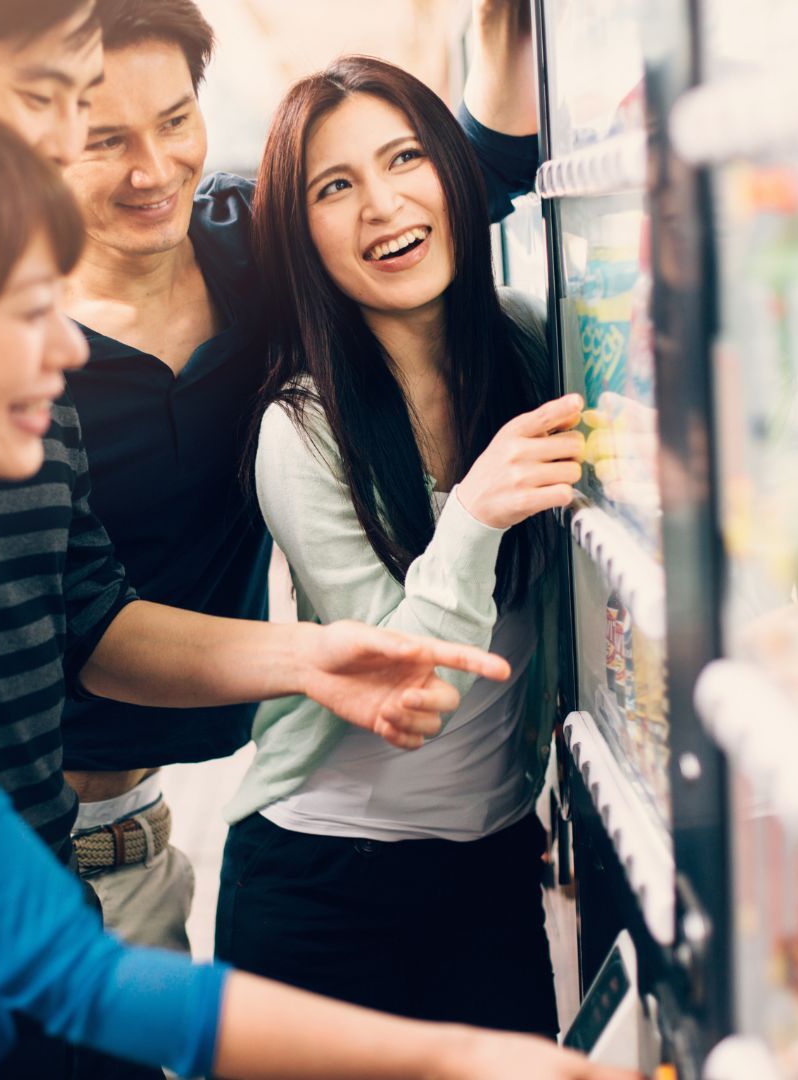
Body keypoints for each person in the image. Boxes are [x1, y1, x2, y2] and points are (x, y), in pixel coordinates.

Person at [0, 89, 637, 1080]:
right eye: (31, 308)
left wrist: (311, 656)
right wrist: (458, 1060)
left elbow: (98, 628)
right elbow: (73, 975)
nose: (72, 347)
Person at [59, 0, 546, 954]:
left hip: (142, 833)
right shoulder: (9, 351)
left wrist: (501, 23)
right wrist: (320, 664)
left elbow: (459, 179)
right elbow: (91, 627)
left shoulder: (252, 246)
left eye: (173, 121)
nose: (153, 169)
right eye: (104, 139)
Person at [214, 55, 587, 1038]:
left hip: (494, 858)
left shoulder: (534, 345)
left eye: (405, 158)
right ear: (302, 237)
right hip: (319, 882)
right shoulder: (299, 430)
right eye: (335, 187)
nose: (383, 205)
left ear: (454, 176)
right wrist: (474, 514)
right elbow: (410, 699)